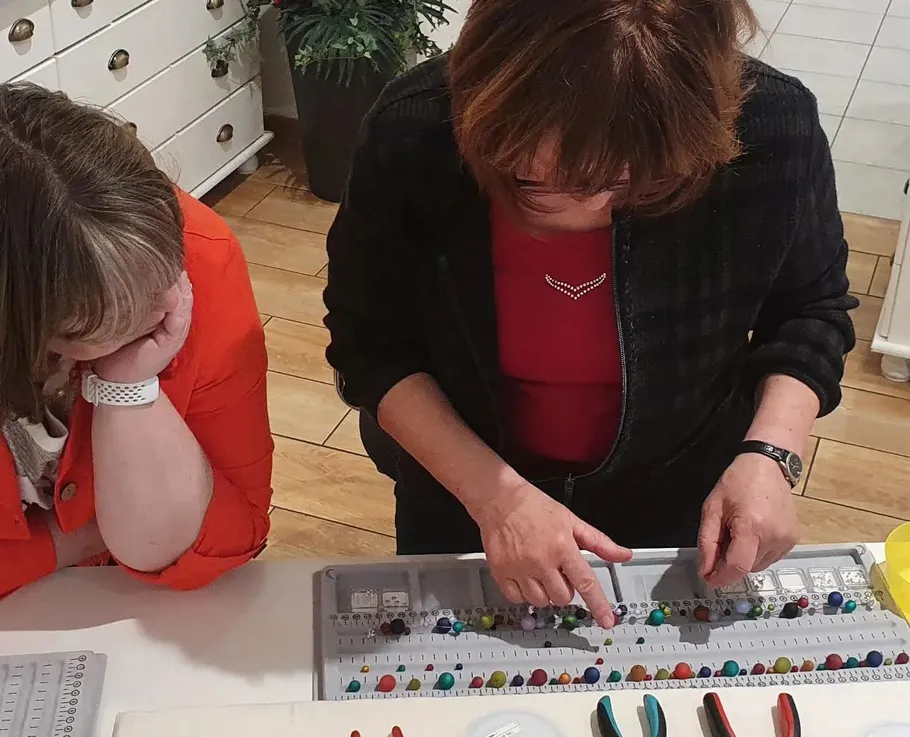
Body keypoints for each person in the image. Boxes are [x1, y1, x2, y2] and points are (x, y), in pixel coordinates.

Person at [324, 0, 858, 627]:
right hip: (462, 488)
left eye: (644, 185)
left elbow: (810, 310)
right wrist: (496, 499)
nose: (592, 209)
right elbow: (370, 341)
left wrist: (772, 455)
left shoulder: (770, 127)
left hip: (680, 483)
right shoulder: (415, 131)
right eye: (538, 182)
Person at [0, 83, 273, 596]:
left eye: (162, 279)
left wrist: (128, 386)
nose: (161, 311)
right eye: (87, 327)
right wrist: (76, 541)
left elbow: (235, 532)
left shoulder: (195, 260)